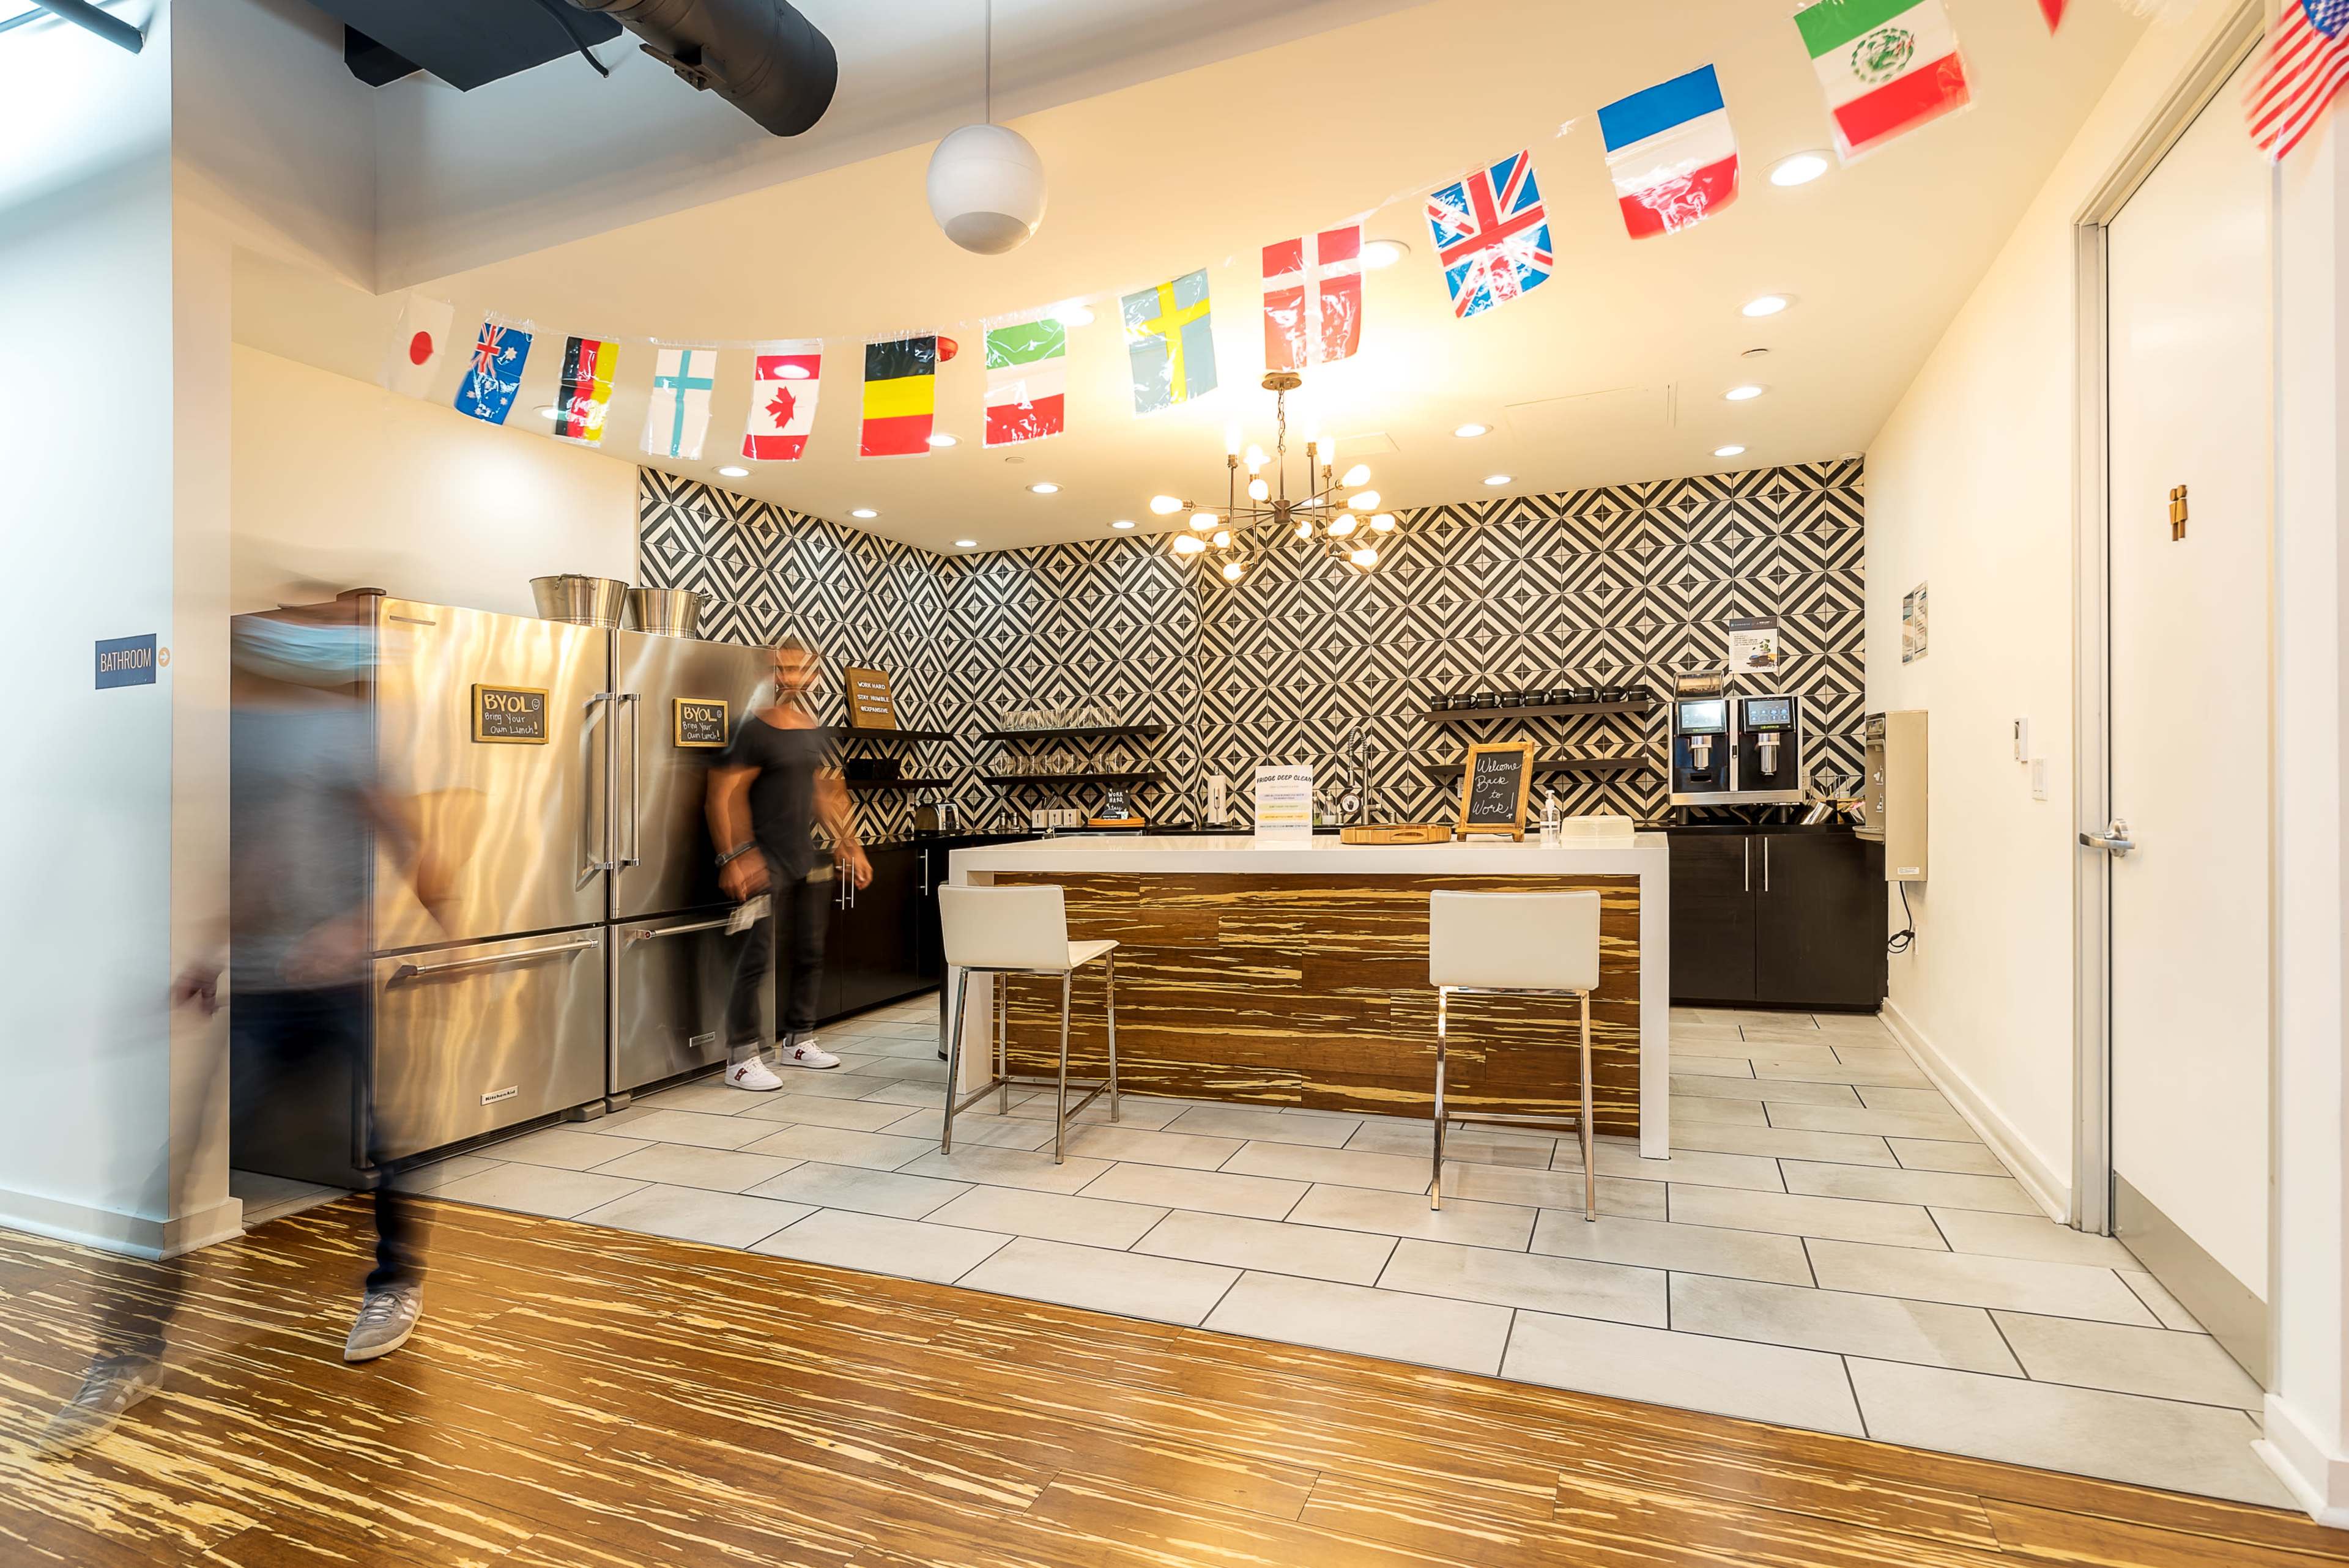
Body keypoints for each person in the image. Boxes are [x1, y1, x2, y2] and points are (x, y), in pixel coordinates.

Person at [705, 634, 873, 1090]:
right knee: (755, 957)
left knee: (810, 952)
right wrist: (735, 856)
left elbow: (824, 790)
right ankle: (740, 1059)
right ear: (769, 673)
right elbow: (723, 793)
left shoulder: (811, 728)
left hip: (805, 858)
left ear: (813, 675)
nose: (791, 679)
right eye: (782, 669)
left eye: (800, 670)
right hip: (762, 860)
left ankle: (798, 1040)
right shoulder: (752, 729)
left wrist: (848, 842)